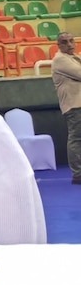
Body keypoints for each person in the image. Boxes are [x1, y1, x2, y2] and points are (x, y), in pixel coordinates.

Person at [51, 32, 81, 184]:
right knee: (76, 138)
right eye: (64, 42)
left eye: (71, 41)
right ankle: (78, 173)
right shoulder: (60, 60)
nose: (69, 44)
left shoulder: (74, 57)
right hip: (75, 105)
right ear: (59, 45)